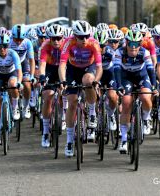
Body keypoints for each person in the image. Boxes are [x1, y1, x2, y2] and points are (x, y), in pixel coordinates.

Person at [58, 20, 103, 157]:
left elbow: (100, 67)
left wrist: (96, 81)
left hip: (89, 68)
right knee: (71, 102)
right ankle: (70, 141)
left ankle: (91, 114)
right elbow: (62, 65)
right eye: (80, 37)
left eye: (86, 36)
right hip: (73, 70)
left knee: (88, 80)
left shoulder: (94, 43)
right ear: (75, 36)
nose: (84, 39)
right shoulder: (68, 43)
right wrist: (63, 81)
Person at [113, 30, 154, 152]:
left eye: (136, 44)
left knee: (146, 97)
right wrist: (119, 85)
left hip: (141, 76)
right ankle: (124, 139)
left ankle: (146, 119)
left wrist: (154, 86)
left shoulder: (144, 52)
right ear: (126, 43)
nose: (133, 47)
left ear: (140, 44)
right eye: (131, 44)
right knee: (126, 103)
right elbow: (116, 71)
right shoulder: (119, 52)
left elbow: (151, 70)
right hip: (126, 78)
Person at [0, 34, 23, 145]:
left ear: (8, 46)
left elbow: (19, 71)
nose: (2, 49)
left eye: (5, 46)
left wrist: (19, 83)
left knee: (12, 84)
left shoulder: (13, 54)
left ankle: (15, 107)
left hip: (11, 74)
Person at [38, 24, 65, 147]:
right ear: (49, 38)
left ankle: (63, 113)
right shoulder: (45, 46)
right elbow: (42, 65)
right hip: (49, 69)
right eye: (53, 38)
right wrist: (42, 77)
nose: (56, 41)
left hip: (63, 68)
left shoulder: (67, 45)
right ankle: (45, 132)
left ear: (62, 37)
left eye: (58, 38)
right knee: (47, 95)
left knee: (65, 91)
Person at [10, 24, 35, 119]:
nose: (19, 42)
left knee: (27, 84)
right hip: (11, 65)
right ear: (12, 36)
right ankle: (14, 106)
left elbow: (31, 60)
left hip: (23, 63)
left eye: (21, 39)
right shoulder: (9, 42)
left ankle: (26, 105)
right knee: (11, 86)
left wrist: (32, 75)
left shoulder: (27, 42)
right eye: (16, 39)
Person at [95, 30, 118, 132]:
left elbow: (118, 65)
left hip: (109, 74)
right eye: (98, 46)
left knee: (113, 97)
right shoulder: (92, 52)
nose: (100, 48)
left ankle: (111, 114)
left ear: (106, 44)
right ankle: (97, 115)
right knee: (94, 97)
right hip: (97, 75)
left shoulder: (111, 52)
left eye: (102, 46)